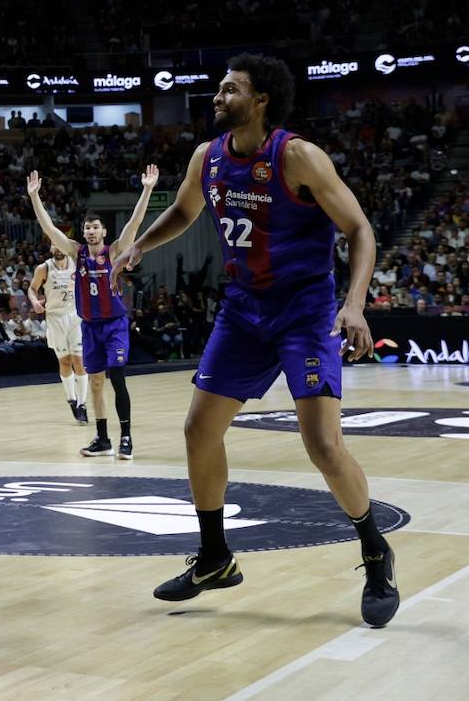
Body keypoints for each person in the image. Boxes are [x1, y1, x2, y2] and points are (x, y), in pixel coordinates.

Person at [112, 53, 398, 628]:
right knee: (198, 429)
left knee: (321, 444)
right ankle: (216, 557)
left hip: (304, 312)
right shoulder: (207, 157)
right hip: (244, 310)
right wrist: (140, 246)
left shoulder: (297, 156)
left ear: (260, 99)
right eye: (219, 89)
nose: (217, 98)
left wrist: (354, 304)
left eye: (229, 89)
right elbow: (183, 211)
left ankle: (375, 551)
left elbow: (360, 229)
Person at [27, 164, 158, 460]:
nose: (91, 230)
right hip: (89, 327)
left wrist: (147, 188)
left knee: (118, 379)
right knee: (96, 382)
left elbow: (135, 224)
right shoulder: (76, 252)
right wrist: (35, 197)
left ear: (104, 231)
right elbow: (49, 228)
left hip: (114, 325)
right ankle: (103, 438)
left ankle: (126, 438)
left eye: (95, 227)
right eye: (87, 227)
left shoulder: (114, 252)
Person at [28, 243, 90, 424]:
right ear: (50, 249)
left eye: (60, 244)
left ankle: (82, 403)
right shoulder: (44, 268)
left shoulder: (78, 264)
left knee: (79, 360)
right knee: (65, 361)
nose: (58, 249)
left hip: (75, 316)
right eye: (54, 245)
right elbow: (32, 289)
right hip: (55, 318)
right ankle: (71, 398)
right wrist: (35, 302)